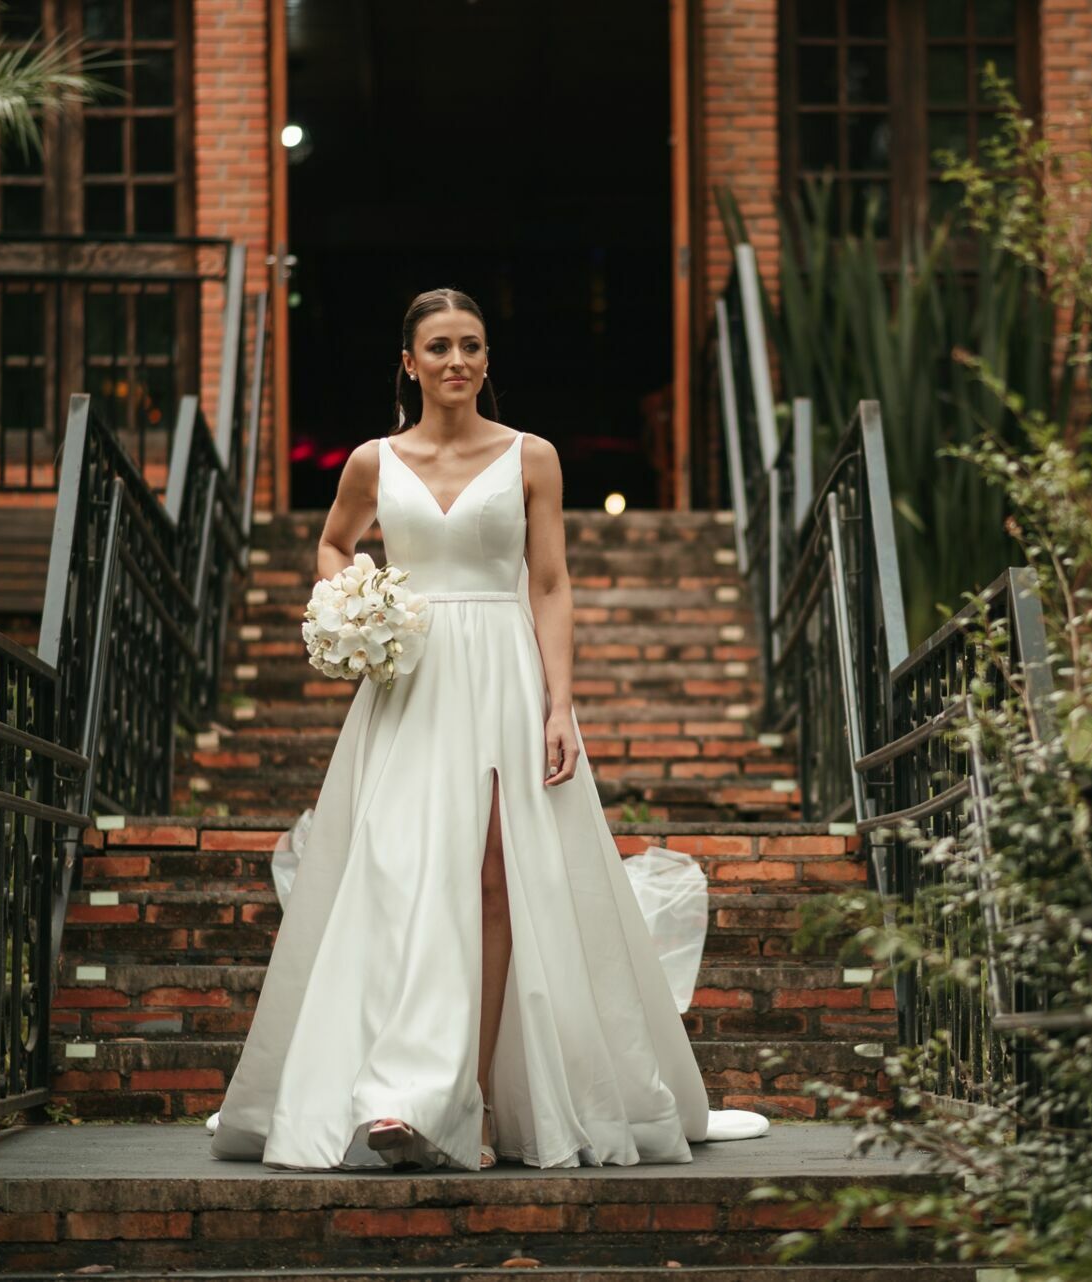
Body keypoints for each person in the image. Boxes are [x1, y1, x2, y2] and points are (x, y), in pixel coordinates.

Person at [207, 287, 714, 1171]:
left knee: (494, 879)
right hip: (410, 682)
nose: (456, 362)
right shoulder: (373, 460)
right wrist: (356, 603)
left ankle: (471, 1101)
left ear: (487, 360)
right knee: (402, 875)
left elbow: (549, 584)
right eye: (437, 348)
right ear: (409, 363)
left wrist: (560, 704)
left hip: (505, 676)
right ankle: (400, 1092)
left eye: (470, 346)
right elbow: (334, 543)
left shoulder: (532, 458)